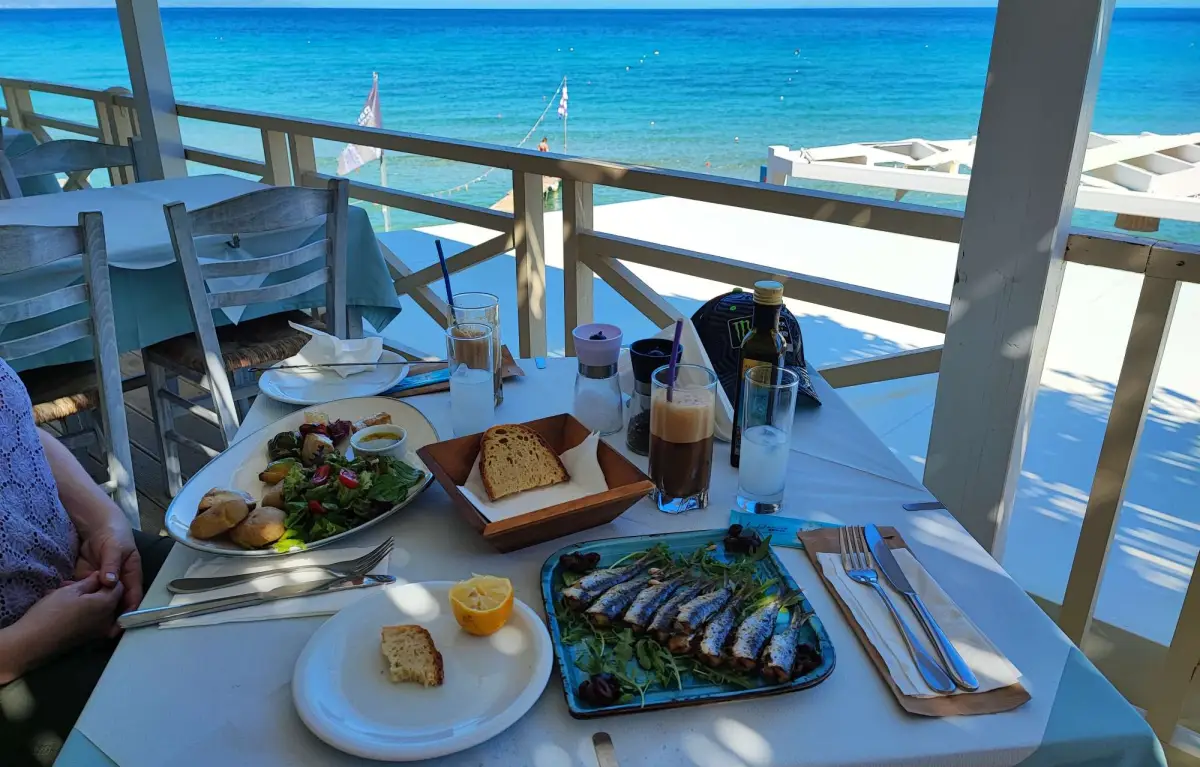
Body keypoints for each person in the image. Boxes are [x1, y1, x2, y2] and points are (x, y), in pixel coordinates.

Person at [0, 358, 173, 766]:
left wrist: (105, 523)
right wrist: (22, 648)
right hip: (18, 660)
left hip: (79, 571)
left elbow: (19, 429)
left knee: (243, 590)